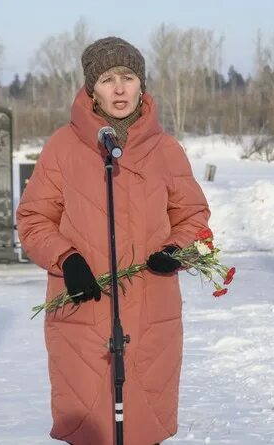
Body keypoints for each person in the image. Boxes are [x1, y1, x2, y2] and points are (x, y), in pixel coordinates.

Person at [17, 36, 210, 445]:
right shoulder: (63, 148)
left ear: (142, 84)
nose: (119, 88)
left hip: (150, 316)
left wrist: (177, 249)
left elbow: (193, 216)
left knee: (145, 429)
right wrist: (65, 259)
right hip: (83, 316)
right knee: (91, 430)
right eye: (107, 79)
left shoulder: (166, 150)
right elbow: (34, 219)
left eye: (128, 77)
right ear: (92, 89)